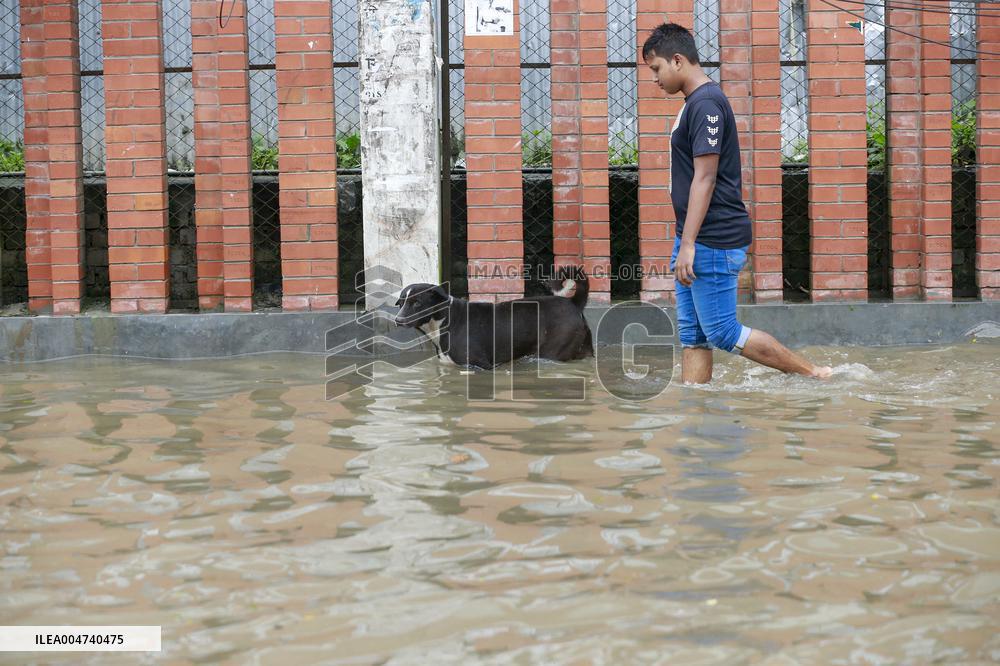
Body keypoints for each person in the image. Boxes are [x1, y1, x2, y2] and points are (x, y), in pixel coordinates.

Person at [642, 22, 832, 384]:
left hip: (711, 239)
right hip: (694, 237)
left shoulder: (706, 104)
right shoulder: (695, 103)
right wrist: (684, 239)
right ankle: (696, 406)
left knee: (722, 332)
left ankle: (814, 373)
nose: (655, 79)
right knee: (694, 335)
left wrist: (688, 243)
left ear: (677, 60)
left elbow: (706, 177)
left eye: (657, 69)